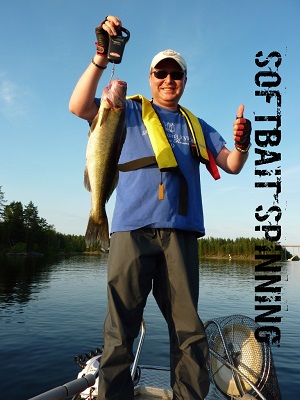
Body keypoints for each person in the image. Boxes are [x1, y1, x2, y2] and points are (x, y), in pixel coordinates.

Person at [69, 15, 251, 400]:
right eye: (160, 73)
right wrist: (101, 56)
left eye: (176, 75)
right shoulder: (127, 111)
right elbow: (78, 105)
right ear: (150, 78)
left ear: (184, 81)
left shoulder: (196, 125)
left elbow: (231, 164)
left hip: (180, 234)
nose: (168, 80)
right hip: (130, 230)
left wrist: (243, 143)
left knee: (188, 329)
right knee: (120, 329)